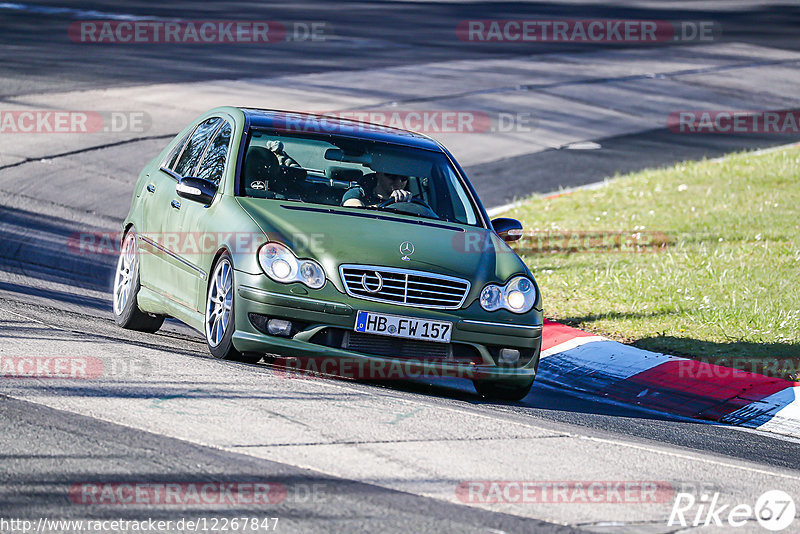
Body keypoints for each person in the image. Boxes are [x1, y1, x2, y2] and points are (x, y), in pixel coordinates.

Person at [341, 171, 412, 207]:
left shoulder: (411, 201)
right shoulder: (359, 192)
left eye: (404, 178)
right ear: (378, 173)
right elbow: (353, 210)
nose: (398, 182)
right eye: (392, 176)